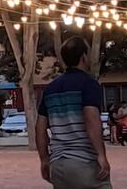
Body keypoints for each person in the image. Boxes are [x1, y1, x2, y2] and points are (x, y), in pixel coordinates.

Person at [35, 37, 111, 189]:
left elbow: (40, 128)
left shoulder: (50, 89)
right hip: (84, 161)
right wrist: (101, 155)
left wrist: (44, 159)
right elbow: (91, 119)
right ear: (84, 57)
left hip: (58, 165)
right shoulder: (88, 84)